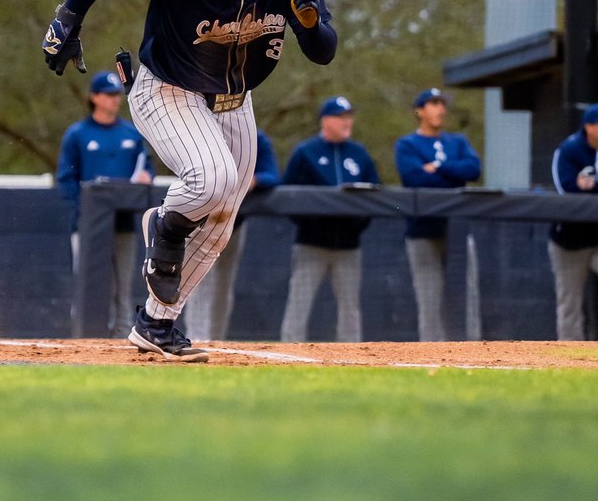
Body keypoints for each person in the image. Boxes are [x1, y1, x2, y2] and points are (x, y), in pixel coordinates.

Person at [43, 0, 337, 362]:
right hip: (167, 91)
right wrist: (67, 20)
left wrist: (308, 23)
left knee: (222, 218)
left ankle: (155, 324)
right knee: (211, 178)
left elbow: (323, 51)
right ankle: (164, 221)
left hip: (235, 101)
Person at [56, 69, 153, 337]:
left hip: (124, 224)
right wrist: (83, 212)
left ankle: (122, 335)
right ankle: (85, 335)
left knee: (124, 283)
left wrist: (146, 178)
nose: (114, 100)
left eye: (117, 95)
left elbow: (147, 168)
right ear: (95, 97)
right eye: (109, 95)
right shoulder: (78, 134)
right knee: (89, 282)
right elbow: (66, 178)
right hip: (88, 226)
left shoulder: (132, 134)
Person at [280, 95, 380, 343]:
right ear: (326, 120)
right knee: (298, 304)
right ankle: (288, 354)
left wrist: (357, 226)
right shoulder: (306, 152)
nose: (348, 122)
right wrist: (311, 223)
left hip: (348, 247)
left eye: (349, 117)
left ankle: (354, 357)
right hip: (311, 245)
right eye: (341, 117)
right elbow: (287, 194)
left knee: (350, 308)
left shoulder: (359, 153)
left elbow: (376, 194)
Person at [394, 87, 481, 341]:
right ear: (419, 111)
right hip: (423, 230)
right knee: (429, 299)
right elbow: (414, 177)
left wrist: (439, 167)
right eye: (433, 103)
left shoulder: (458, 142)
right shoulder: (408, 144)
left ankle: (472, 351)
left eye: (442, 103)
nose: (440, 109)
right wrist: (452, 174)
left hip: (458, 228)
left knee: (466, 295)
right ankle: (432, 354)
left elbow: (473, 169)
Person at [182, 127, 280, 342]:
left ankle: (216, 338)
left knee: (223, 286)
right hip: (201, 221)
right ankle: (196, 337)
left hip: (233, 223)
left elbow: (273, 175)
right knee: (198, 282)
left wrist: (254, 180)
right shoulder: (204, 132)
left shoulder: (256, 137)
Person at [548, 102, 598, 341]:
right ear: (589, 127)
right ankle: (571, 359)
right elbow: (566, 188)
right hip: (568, 242)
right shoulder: (569, 149)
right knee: (569, 305)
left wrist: (597, 185)